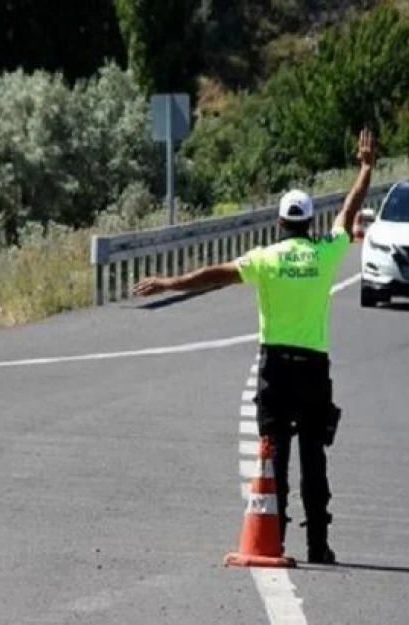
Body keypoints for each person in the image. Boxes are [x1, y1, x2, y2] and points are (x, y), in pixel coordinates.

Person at [132, 128, 377, 564]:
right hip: (314, 367)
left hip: (275, 368)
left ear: (280, 223)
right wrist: (366, 168)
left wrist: (169, 282)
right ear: (308, 223)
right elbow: (348, 212)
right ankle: (319, 545)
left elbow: (215, 274)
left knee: (275, 454)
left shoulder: (265, 259)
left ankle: (274, 541)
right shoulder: (324, 253)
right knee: (314, 457)